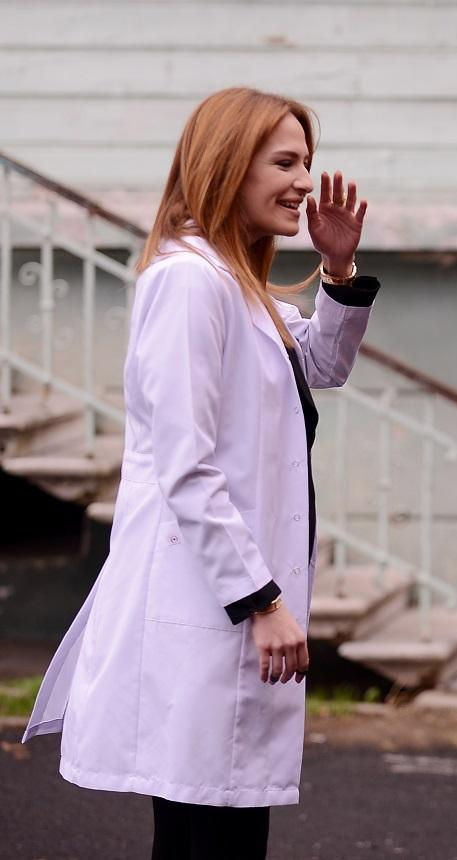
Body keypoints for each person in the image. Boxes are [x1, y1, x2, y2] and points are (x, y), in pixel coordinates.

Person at [23, 87, 379, 859]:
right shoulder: (189, 281)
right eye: (284, 162)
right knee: (208, 829)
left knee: (217, 824)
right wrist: (261, 600)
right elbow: (185, 462)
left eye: (306, 162)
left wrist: (339, 268)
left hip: (227, 607)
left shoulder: (233, 283)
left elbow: (322, 364)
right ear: (227, 165)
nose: (303, 181)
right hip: (213, 602)